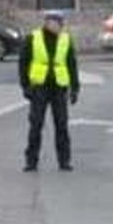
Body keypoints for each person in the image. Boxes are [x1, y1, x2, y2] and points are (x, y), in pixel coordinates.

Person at [18, 9, 80, 172]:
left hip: (59, 86)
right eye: (54, 22)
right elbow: (23, 62)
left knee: (61, 124)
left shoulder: (65, 39)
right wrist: (25, 86)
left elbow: (71, 64)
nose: (57, 26)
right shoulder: (34, 38)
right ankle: (31, 161)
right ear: (47, 23)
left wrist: (75, 88)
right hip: (39, 86)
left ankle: (64, 161)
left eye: (60, 23)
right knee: (36, 124)